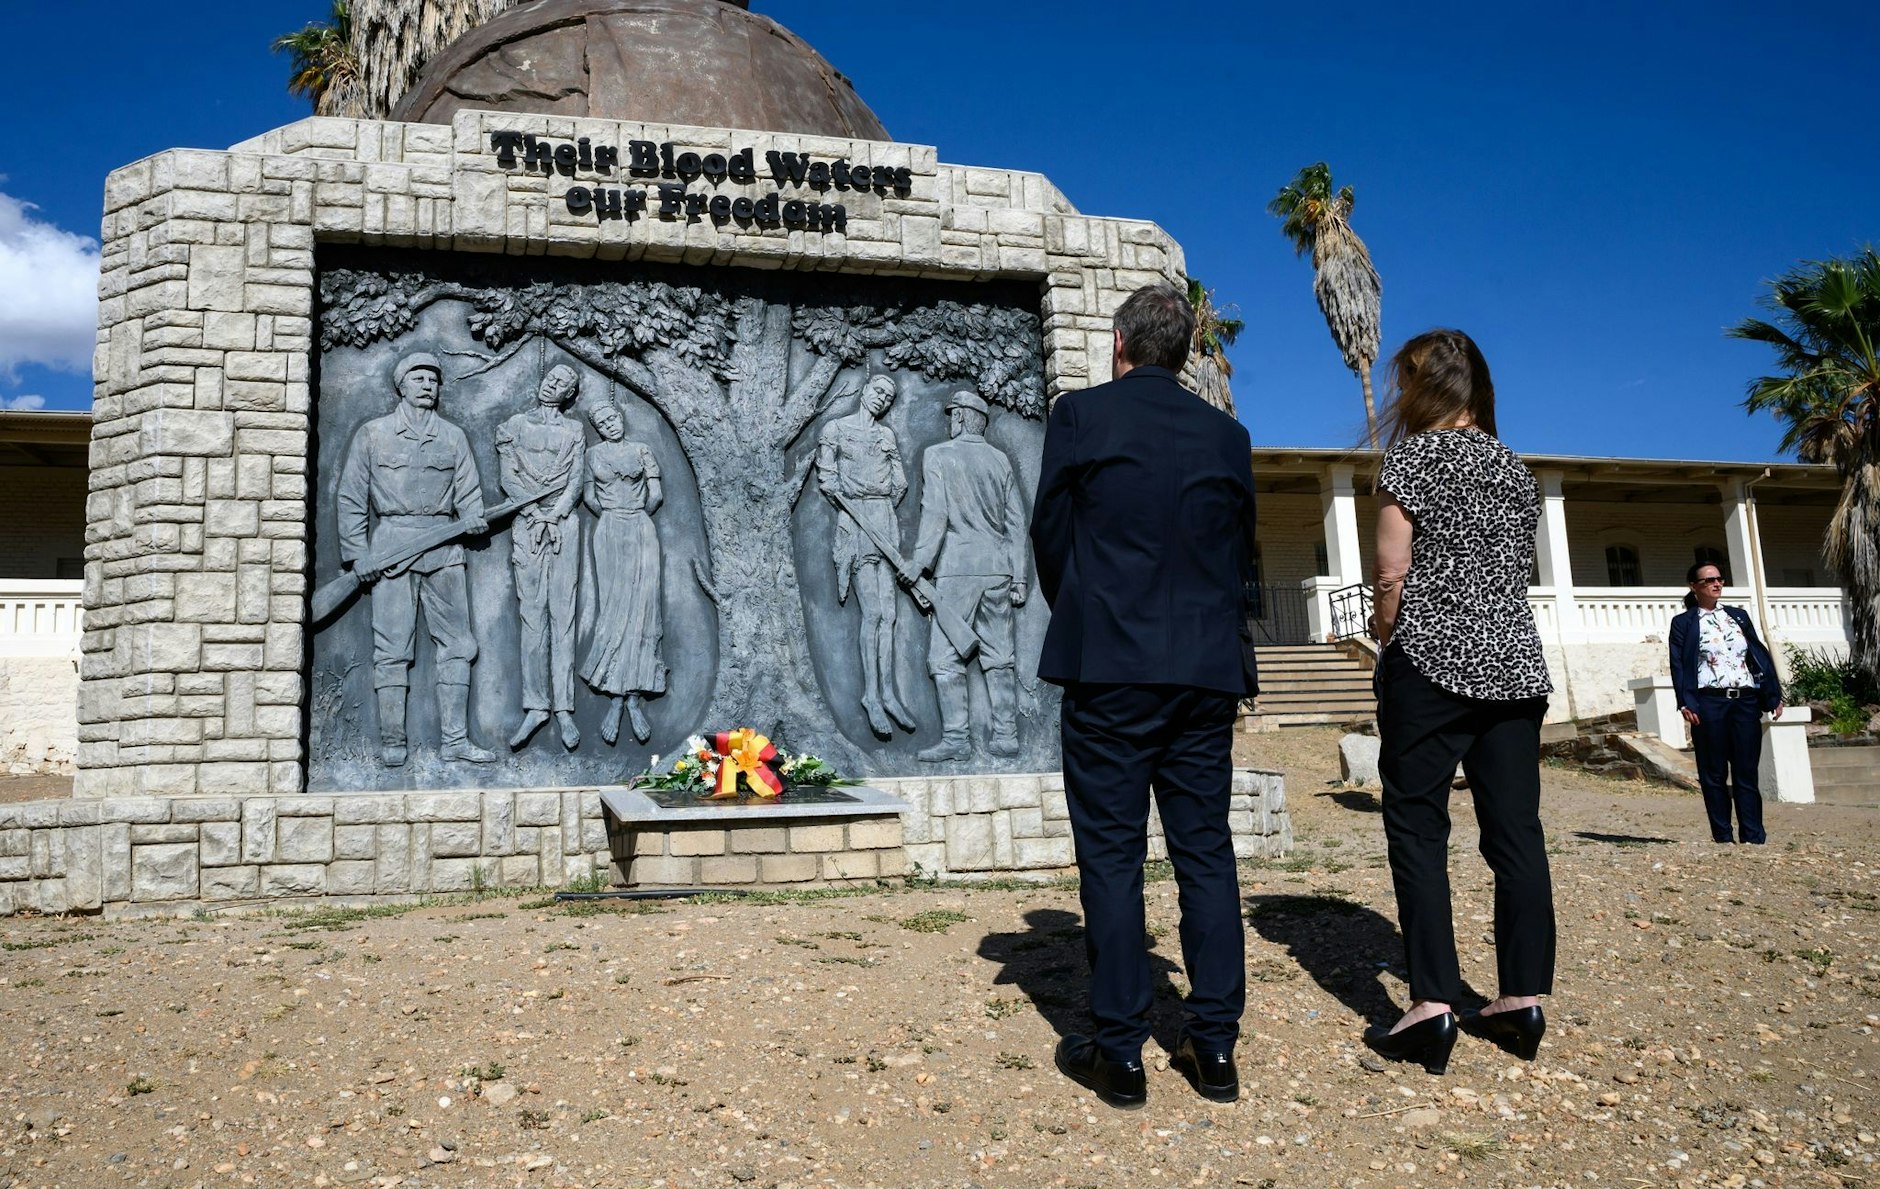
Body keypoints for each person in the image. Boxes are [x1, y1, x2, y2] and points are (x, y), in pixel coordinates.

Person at [1030, 282, 1259, 1108]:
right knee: (1205, 851)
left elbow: (1050, 533)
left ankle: (1121, 1051)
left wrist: (1091, 609)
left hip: (1111, 668)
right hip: (1203, 669)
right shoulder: (1228, 435)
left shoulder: (1080, 416)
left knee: (1113, 855)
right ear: (1186, 352)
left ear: (1120, 344)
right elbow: (1240, 549)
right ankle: (1215, 1045)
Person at [1365, 329, 1555, 1075]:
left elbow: (1391, 572)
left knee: (1418, 828)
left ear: (1424, 386)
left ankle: (1433, 1003)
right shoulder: (1514, 468)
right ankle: (1522, 997)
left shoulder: (1410, 459)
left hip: (1431, 662)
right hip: (1514, 664)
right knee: (1516, 833)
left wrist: (1389, 636)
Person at [335, 352, 496, 767]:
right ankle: (393, 741)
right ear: (401, 385)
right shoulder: (373, 434)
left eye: (433, 380)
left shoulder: (453, 437)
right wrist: (357, 554)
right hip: (392, 549)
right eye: (418, 378)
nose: (427, 385)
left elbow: (469, 493)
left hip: (444, 549)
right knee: (392, 648)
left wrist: (473, 518)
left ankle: (455, 741)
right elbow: (351, 497)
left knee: (459, 645)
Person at [902, 389, 1030, 762]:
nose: (949, 422)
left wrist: (919, 563)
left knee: (944, 657)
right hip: (998, 570)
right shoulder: (1000, 460)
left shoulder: (938, 455)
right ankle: (1006, 737)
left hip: (957, 570)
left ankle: (957, 739)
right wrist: (1019, 577)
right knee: (1000, 655)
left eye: (951, 415)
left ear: (959, 417)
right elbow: (1016, 524)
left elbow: (936, 514)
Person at [816, 374, 917, 739]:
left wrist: (880, 505)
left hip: (883, 519)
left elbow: (900, 482)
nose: (882, 399)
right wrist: (856, 503)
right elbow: (827, 478)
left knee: (889, 614)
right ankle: (871, 695)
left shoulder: (886, 435)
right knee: (872, 612)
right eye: (878, 391)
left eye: (889, 397)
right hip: (854, 520)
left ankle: (889, 693)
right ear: (864, 391)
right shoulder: (836, 429)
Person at [496, 364, 588, 752]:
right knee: (532, 615)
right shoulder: (514, 426)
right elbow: (509, 477)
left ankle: (564, 708)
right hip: (527, 523)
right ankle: (536, 707)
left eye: (563, 383)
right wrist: (535, 514)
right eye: (551, 377)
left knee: (562, 615)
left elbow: (576, 480)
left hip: (564, 524)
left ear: (570, 394)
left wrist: (556, 515)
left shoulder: (575, 430)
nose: (553, 384)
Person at [1668, 561, 1784, 844]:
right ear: (1694, 587)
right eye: (1709, 580)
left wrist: (1772, 695)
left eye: (1719, 579)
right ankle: (1722, 836)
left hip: (1745, 702)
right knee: (1714, 773)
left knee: (1746, 771)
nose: (1716, 583)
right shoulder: (1684, 623)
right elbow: (1679, 666)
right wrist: (1685, 702)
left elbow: (1758, 656)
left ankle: (1753, 837)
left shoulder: (1738, 616)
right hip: (1709, 703)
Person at [579, 402, 667, 746]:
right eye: (602, 423)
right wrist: (614, 515)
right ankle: (615, 698)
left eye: (612, 418)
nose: (609, 425)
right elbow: (589, 496)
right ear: (598, 428)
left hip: (640, 529)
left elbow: (656, 495)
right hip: (610, 530)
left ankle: (633, 698)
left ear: (620, 418)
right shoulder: (592, 455)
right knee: (614, 610)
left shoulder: (642, 450)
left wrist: (635, 516)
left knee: (643, 610)